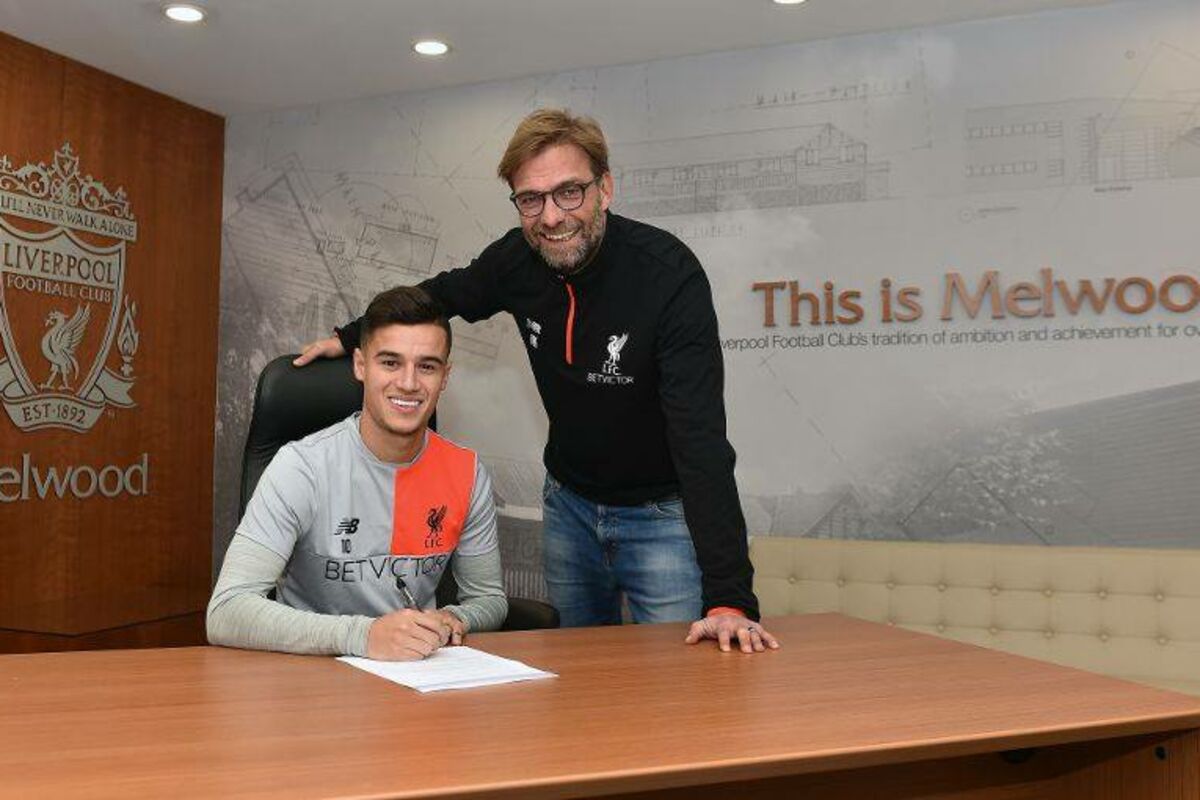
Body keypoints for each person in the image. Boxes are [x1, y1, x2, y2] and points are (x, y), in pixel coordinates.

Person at [296, 109, 777, 654]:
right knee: (574, 673)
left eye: (569, 192)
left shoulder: (669, 276)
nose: (551, 217)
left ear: (605, 189)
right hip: (569, 508)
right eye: (531, 199)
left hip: (662, 517)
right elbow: (442, 294)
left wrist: (729, 598)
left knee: (682, 681)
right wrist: (352, 335)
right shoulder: (516, 260)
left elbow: (701, 439)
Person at [209, 286, 506, 660]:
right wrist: (363, 636)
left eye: (427, 366)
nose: (409, 383)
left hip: (418, 674)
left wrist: (454, 618)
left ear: (445, 376)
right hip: (313, 674)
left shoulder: (466, 472)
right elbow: (226, 611)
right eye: (390, 363)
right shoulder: (301, 467)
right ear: (361, 366)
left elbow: (488, 599)